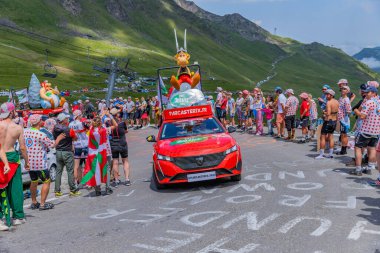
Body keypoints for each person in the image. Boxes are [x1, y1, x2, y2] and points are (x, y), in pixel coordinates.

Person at [24, 114, 65, 211]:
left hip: (29, 162)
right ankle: (42, 204)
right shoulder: (41, 134)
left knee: (33, 181)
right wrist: (59, 138)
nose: (43, 121)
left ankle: (34, 202)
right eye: (41, 120)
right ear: (38, 122)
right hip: (39, 162)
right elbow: (52, 145)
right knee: (46, 181)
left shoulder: (25, 132)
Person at [0, 102, 29, 227]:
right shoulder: (18, 128)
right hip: (12, 157)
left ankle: (2, 217)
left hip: (1, 158)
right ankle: (18, 216)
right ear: (11, 112)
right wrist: (27, 162)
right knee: (16, 188)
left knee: (2, 188)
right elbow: (22, 147)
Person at [82, 112, 117, 196]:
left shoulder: (91, 130)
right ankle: (108, 188)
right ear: (101, 123)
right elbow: (115, 125)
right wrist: (110, 116)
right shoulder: (104, 129)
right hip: (105, 151)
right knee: (106, 169)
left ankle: (97, 189)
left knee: (96, 169)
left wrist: (99, 117)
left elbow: (94, 123)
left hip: (94, 152)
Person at [352, 86, 380, 176]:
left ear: (373, 93)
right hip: (376, 131)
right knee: (372, 149)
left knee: (358, 148)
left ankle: (358, 169)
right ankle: (369, 168)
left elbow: (363, 116)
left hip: (365, 130)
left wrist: (356, 111)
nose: (365, 94)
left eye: (368, 93)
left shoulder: (369, 102)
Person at [53, 113, 80, 197]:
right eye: (66, 119)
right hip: (67, 151)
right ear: (63, 120)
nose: (68, 120)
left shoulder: (54, 128)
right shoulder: (68, 129)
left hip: (58, 151)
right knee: (70, 171)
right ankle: (73, 190)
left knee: (58, 171)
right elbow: (75, 138)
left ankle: (57, 190)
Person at [109, 109, 131, 187]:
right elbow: (126, 131)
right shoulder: (122, 123)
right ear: (117, 114)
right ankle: (127, 179)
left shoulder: (109, 124)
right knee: (125, 161)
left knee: (115, 162)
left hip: (113, 143)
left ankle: (116, 180)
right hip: (122, 143)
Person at [316, 89, 339, 159]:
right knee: (331, 137)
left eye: (327, 94)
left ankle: (321, 154)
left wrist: (324, 112)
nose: (326, 96)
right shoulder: (336, 101)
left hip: (328, 121)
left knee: (322, 137)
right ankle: (331, 154)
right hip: (334, 121)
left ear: (331, 95)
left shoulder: (329, 102)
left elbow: (328, 113)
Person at [69, 110, 90, 188]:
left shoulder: (70, 124)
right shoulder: (82, 123)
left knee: (77, 166)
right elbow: (89, 128)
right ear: (78, 116)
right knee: (87, 164)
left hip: (76, 145)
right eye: (81, 115)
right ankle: (87, 182)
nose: (82, 116)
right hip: (84, 145)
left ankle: (77, 182)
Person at [336, 85, 352, 155]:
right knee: (342, 134)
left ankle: (343, 150)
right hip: (341, 119)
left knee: (344, 135)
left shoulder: (346, 100)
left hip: (344, 120)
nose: (342, 90)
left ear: (348, 91)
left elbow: (349, 111)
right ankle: (343, 149)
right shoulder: (341, 98)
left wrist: (343, 115)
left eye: (345, 89)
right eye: (342, 89)